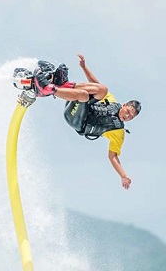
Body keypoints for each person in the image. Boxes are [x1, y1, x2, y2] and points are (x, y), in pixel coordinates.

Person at [32, 54, 142, 190]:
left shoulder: (118, 133)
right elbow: (96, 85)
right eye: (128, 111)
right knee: (103, 89)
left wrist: (123, 175)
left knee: (84, 95)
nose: (128, 116)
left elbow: (113, 156)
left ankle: (50, 90)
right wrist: (84, 67)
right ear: (124, 105)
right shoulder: (112, 101)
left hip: (76, 121)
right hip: (74, 105)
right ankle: (65, 85)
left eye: (132, 116)